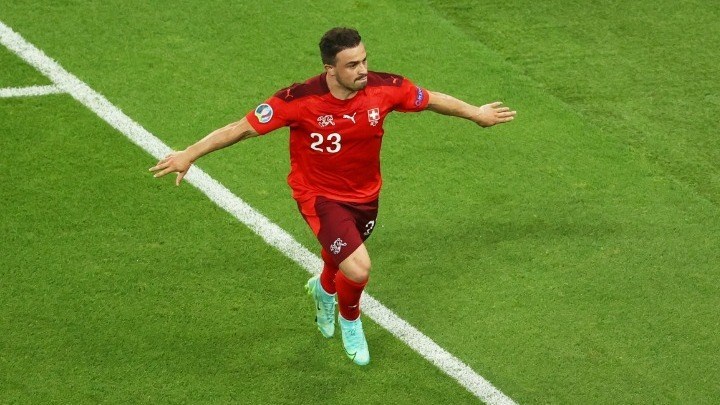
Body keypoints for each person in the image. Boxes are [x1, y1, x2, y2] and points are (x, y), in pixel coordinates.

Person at [150, 27, 516, 366]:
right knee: (358, 267)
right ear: (330, 69)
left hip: (366, 195)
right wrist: (189, 154)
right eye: (352, 65)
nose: (363, 70)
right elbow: (240, 128)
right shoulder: (299, 99)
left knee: (341, 254)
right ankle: (350, 321)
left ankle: (324, 290)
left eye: (364, 60)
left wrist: (476, 113)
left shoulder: (384, 88)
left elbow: (431, 99)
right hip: (319, 196)